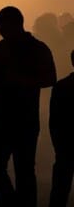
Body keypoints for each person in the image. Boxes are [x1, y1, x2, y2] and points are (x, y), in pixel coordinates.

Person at [0, 6, 57, 207]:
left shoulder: (33, 48)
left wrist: (19, 80)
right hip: (9, 118)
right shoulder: (7, 48)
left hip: (19, 119)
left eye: (1, 26)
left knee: (18, 168)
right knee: (3, 166)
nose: (0, 31)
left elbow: (50, 78)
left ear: (12, 25)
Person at [49, 50, 74, 207]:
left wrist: (58, 145)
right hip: (65, 145)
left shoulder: (61, 86)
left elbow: (54, 121)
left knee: (60, 191)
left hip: (66, 145)